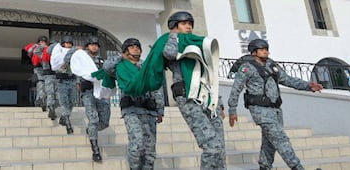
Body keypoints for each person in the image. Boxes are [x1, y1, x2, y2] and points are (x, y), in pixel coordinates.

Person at [227, 39, 323, 170]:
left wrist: (308, 86)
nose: (265, 51)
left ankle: (264, 167)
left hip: (276, 110)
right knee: (281, 139)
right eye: (262, 49)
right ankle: (298, 167)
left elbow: (288, 79)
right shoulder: (246, 68)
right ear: (254, 52)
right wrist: (232, 110)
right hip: (260, 110)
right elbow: (236, 89)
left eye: (266, 49)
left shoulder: (272, 65)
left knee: (269, 143)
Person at [162, 11, 226, 170]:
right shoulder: (171, 41)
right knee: (211, 145)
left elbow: (209, 72)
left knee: (220, 147)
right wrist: (174, 36)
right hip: (187, 96)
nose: (188, 26)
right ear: (174, 26)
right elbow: (168, 53)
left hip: (208, 97)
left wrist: (220, 101)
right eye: (184, 23)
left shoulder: (198, 43)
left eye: (190, 23)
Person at [111, 38, 164, 170]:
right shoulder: (121, 66)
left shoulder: (146, 66)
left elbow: (157, 88)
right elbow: (107, 68)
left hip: (149, 110)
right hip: (132, 110)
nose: (136, 49)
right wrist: (120, 57)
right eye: (132, 47)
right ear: (125, 50)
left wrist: (160, 109)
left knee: (150, 150)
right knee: (137, 144)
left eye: (138, 47)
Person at [73, 36, 111, 161]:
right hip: (88, 92)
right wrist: (78, 83)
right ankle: (95, 150)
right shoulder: (83, 59)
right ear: (87, 46)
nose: (94, 46)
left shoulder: (103, 61)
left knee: (104, 122)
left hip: (101, 93)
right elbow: (77, 71)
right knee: (93, 120)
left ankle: (91, 130)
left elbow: (108, 74)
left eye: (96, 44)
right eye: (91, 44)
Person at [51, 35, 78, 134]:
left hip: (72, 79)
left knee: (72, 101)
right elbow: (56, 62)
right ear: (63, 43)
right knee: (64, 102)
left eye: (70, 44)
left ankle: (64, 116)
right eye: (67, 43)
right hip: (61, 80)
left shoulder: (74, 52)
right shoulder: (58, 51)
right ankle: (67, 122)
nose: (68, 45)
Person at [24, 35, 50, 111]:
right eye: (41, 41)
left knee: (46, 86)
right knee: (40, 84)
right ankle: (41, 101)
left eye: (44, 42)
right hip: (38, 69)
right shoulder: (34, 47)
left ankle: (39, 101)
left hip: (46, 69)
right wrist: (39, 47)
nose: (43, 43)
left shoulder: (48, 49)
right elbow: (29, 51)